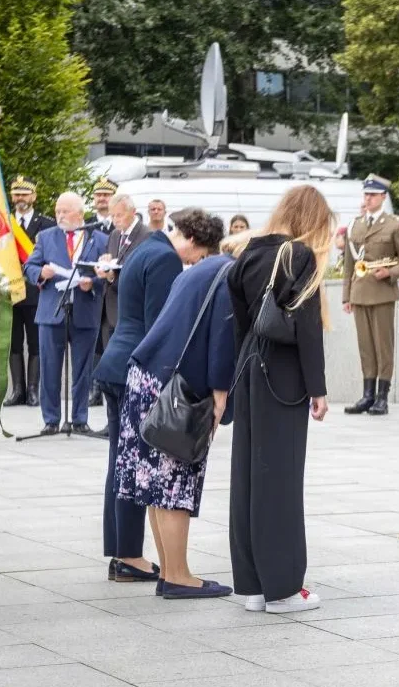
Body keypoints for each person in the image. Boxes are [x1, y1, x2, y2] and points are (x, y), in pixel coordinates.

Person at [113, 210, 235, 599]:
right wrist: (220, 395)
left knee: (152, 482)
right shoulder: (225, 275)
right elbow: (221, 337)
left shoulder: (196, 272)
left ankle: (169, 571)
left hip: (143, 377)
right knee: (173, 481)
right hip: (170, 388)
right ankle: (179, 576)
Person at [227, 185, 332, 613]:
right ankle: (285, 588)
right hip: (283, 376)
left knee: (249, 477)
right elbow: (306, 326)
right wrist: (318, 387)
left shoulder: (248, 252)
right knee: (282, 480)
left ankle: (252, 585)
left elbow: (239, 320)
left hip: (250, 367)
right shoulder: (298, 255)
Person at [93, 210, 188, 584]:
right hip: (136, 368)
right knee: (134, 465)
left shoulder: (144, 248)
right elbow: (158, 325)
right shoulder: (164, 258)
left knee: (120, 462)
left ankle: (122, 552)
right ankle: (130, 556)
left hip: (116, 361)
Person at [24, 192, 109, 434]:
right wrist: (41, 273)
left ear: (80, 214)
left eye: (65, 211)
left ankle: (79, 419)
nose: (59, 216)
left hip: (85, 310)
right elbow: (29, 266)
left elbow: (110, 273)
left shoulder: (100, 239)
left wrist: (93, 282)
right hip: (53, 310)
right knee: (50, 367)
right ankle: (51, 420)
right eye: (57, 211)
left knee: (83, 370)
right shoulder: (46, 236)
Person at [341, 174, 399, 416]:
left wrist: (389, 273)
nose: (368, 199)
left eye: (373, 195)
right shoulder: (355, 225)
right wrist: (346, 296)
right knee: (366, 347)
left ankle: (382, 396)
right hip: (360, 293)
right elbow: (349, 265)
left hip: (382, 292)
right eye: (366, 195)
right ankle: (367, 394)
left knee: (383, 346)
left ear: (383, 197)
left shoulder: (394, 225)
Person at [95, 193, 149, 407]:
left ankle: (125, 412)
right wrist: (104, 264)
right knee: (111, 366)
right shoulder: (115, 236)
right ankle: (113, 416)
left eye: (119, 215)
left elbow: (138, 272)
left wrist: (111, 275)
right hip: (110, 308)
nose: (115, 220)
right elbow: (113, 260)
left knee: (124, 367)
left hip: (130, 310)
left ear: (132, 212)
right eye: (113, 216)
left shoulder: (145, 236)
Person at [8, 177, 54, 407]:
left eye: (25, 194)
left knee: (35, 343)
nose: (20, 198)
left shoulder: (46, 224)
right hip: (9, 292)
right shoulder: (3, 223)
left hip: (36, 292)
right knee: (13, 344)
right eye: (16, 194)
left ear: (34, 196)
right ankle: (17, 390)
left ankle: (33, 390)